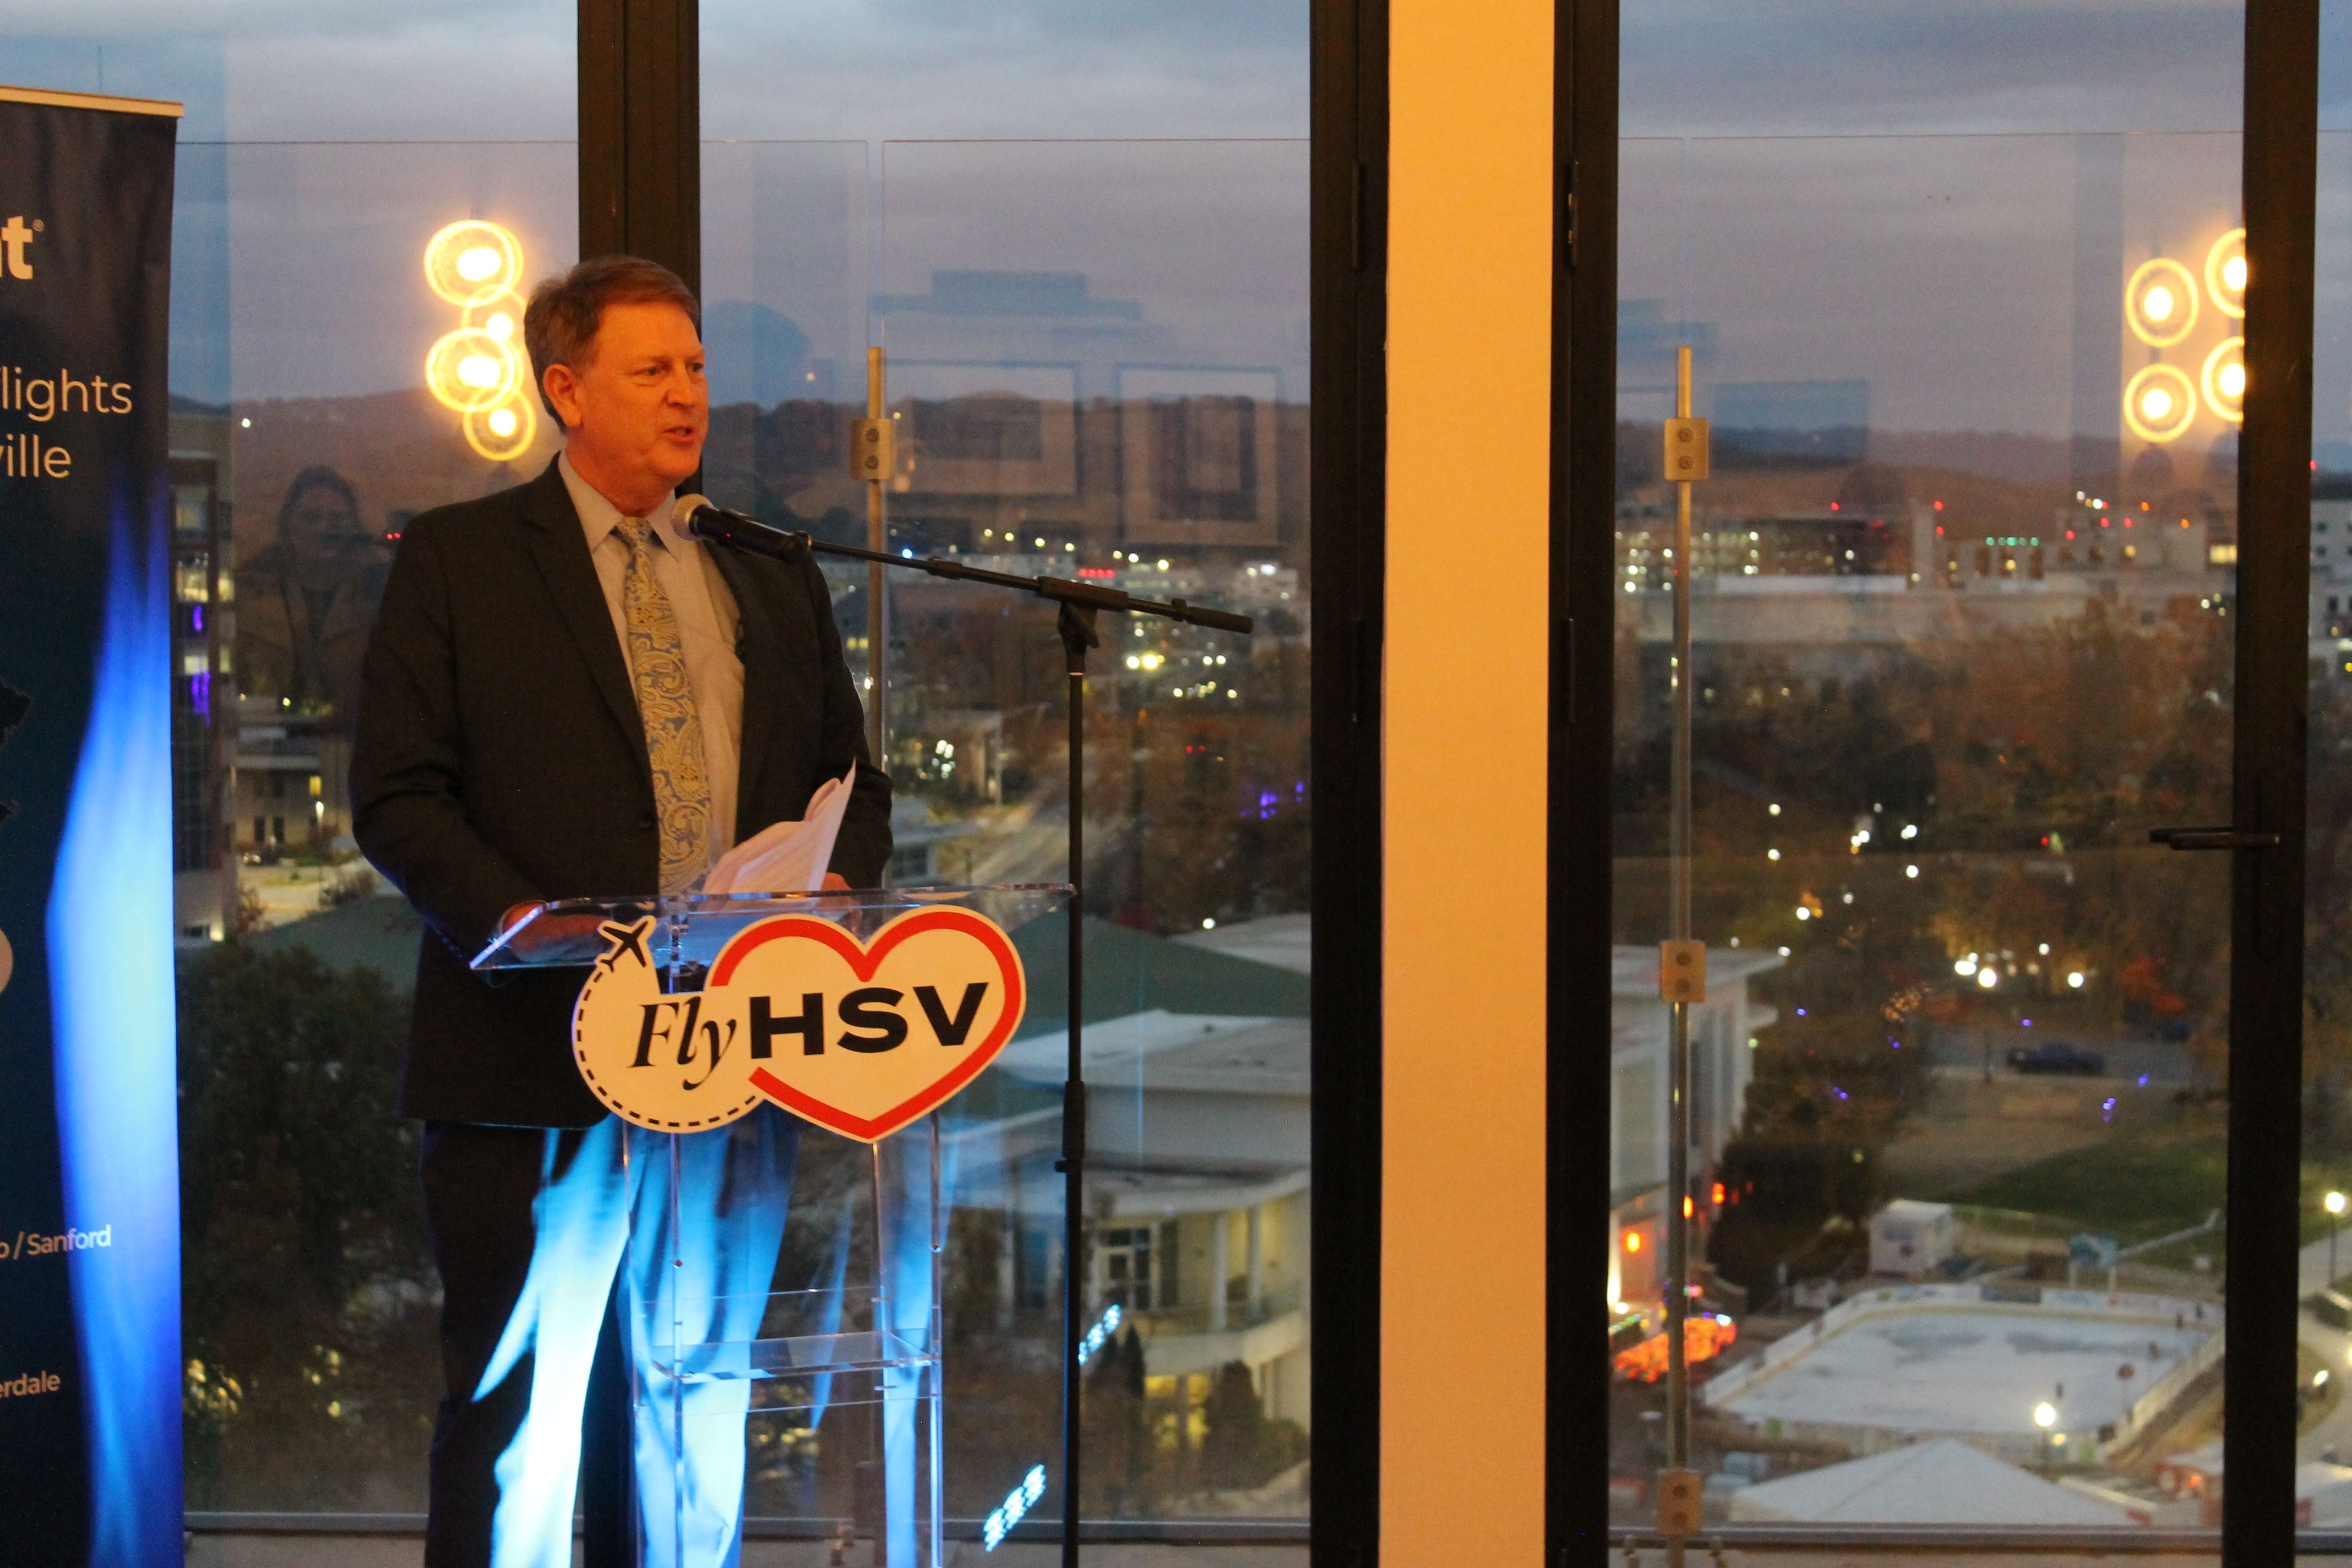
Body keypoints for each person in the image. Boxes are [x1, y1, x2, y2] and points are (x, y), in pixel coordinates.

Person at [351, 254, 890, 1568]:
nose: (688, 393)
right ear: (565, 389)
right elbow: (398, 796)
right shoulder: (462, 561)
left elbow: (853, 782)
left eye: (698, 366)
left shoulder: (765, 568)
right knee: (521, 1421)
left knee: (692, 1404)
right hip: (531, 1053)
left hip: (730, 1059)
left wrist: (833, 880)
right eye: (653, 369)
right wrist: (522, 917)